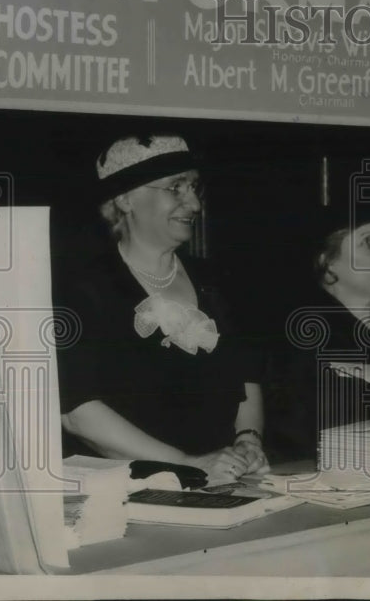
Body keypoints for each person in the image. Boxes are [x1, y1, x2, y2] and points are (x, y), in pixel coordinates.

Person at [57, 134, 268, 483]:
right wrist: (188, 464)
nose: (194, 204)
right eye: (176, 188)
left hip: (223, 480)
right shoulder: (81, 288)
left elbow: (246, 376)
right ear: (125, 199)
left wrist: (248, 441)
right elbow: (77, 412)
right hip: (125, 494)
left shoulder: (215, 280)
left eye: (194, 188)